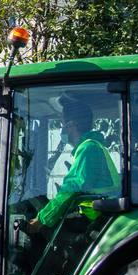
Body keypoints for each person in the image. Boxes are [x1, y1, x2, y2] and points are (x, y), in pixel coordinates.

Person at [27, 95, 119, 233]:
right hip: (97, 216)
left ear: (71, 125)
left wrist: (41, 219)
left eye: (62, 123)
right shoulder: (93, 147)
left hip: (96, 221)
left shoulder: (88, 149)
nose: (61, 129)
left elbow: (71, 188)